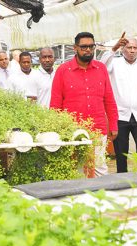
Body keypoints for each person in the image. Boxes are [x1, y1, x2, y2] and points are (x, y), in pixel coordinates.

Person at [50, 32, 118, 176]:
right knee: (77, 169)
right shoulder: (63, 70)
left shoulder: (101, 68)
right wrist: (57, 130)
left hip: (98, 129)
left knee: (99, 167)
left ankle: (100, 198)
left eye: (91, 46)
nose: (88, 50)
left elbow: (109, 99)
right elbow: (55, 104)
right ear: (75, 48)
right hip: (72, 129)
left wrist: (113, 125)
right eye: (84, 47)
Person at [100, 34, 137, 177]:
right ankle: (122, 180)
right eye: (129, 47)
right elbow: (101, 65)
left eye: (135, 47)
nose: (132, 50)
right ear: (122, 49)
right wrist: (113, 48)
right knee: (121, 152)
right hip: (120, 115)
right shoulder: (114, 64)